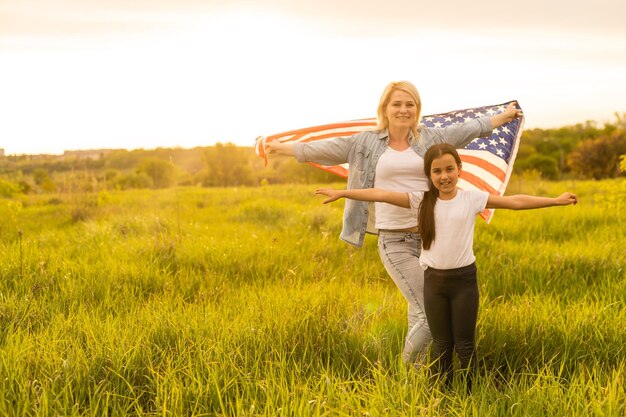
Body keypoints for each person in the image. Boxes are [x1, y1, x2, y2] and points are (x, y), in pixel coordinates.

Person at [265, 81, 523, 364]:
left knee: (417, 311)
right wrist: (280, 148)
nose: (403, 109)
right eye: (397, 104)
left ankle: (419, 382)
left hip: (429, 239)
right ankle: (405, 372)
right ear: (385, 109)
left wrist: (504, 117)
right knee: (428, 310)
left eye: (409, 104)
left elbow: (470, 129)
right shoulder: (364, 142)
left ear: (417, 108)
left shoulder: (430, 137)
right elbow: (322, 149)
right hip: (394, 240)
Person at [315, 143, 578, 389]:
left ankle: (471, 394)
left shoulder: (471, 198)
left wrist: (555, 200)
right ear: (429, 175)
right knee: (441, 344)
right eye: (437, 171)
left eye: (449, 169)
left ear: (459, 170)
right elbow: (380, 193)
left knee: (464, 345)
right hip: (434, 284)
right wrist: (342, 192)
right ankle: (442, 393)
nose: (444, 176)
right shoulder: (421, 200)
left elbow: (514, 202)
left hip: (464, 282)